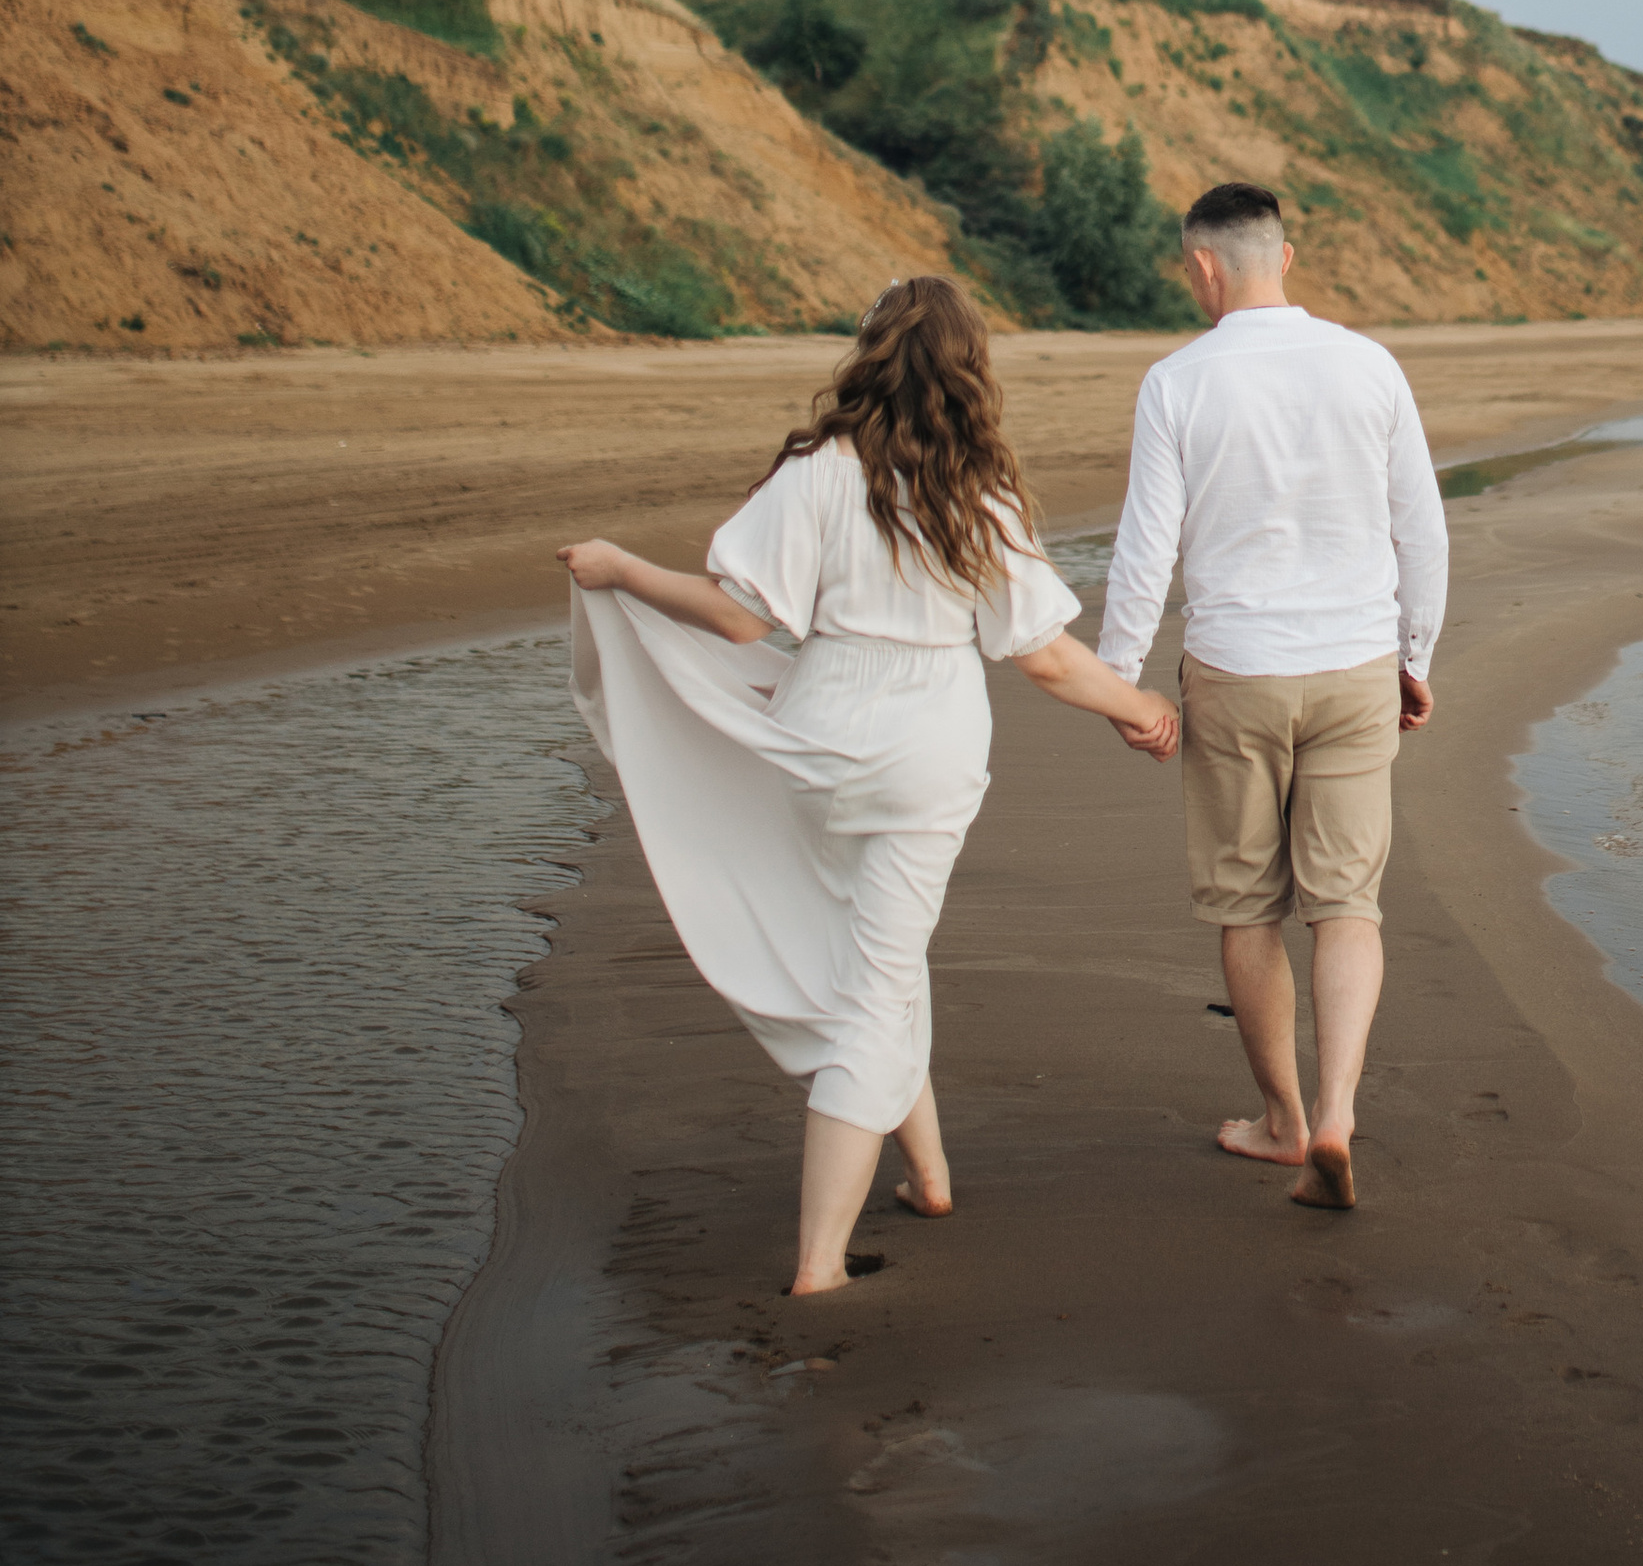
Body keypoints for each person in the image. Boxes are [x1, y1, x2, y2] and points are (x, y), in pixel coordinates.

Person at [559, 275, 1178, 1295]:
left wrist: (626, 569)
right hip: (927, 749)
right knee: (876, 982)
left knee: (878, 960)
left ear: (870, 353)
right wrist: (1137, 708)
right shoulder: (976, 492)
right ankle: (817, 1268)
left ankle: (929, 1175)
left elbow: (737, 618)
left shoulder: (817, 472)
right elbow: (1044, 657)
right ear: (969, 369)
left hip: (818, 738)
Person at [1096, 183, 1447, 1210]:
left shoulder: (1176, 383)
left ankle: (1284, 1123)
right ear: (1283, 259)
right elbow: (1419, 528)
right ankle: (1338, 1110)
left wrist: (1123, 683)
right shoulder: (1368, 364)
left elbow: (1144, 549)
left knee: (1246, 903)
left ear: (1204, 268)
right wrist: (1412, 655)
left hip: (1238, 672)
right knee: (1347, 905)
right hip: (1352, 669)